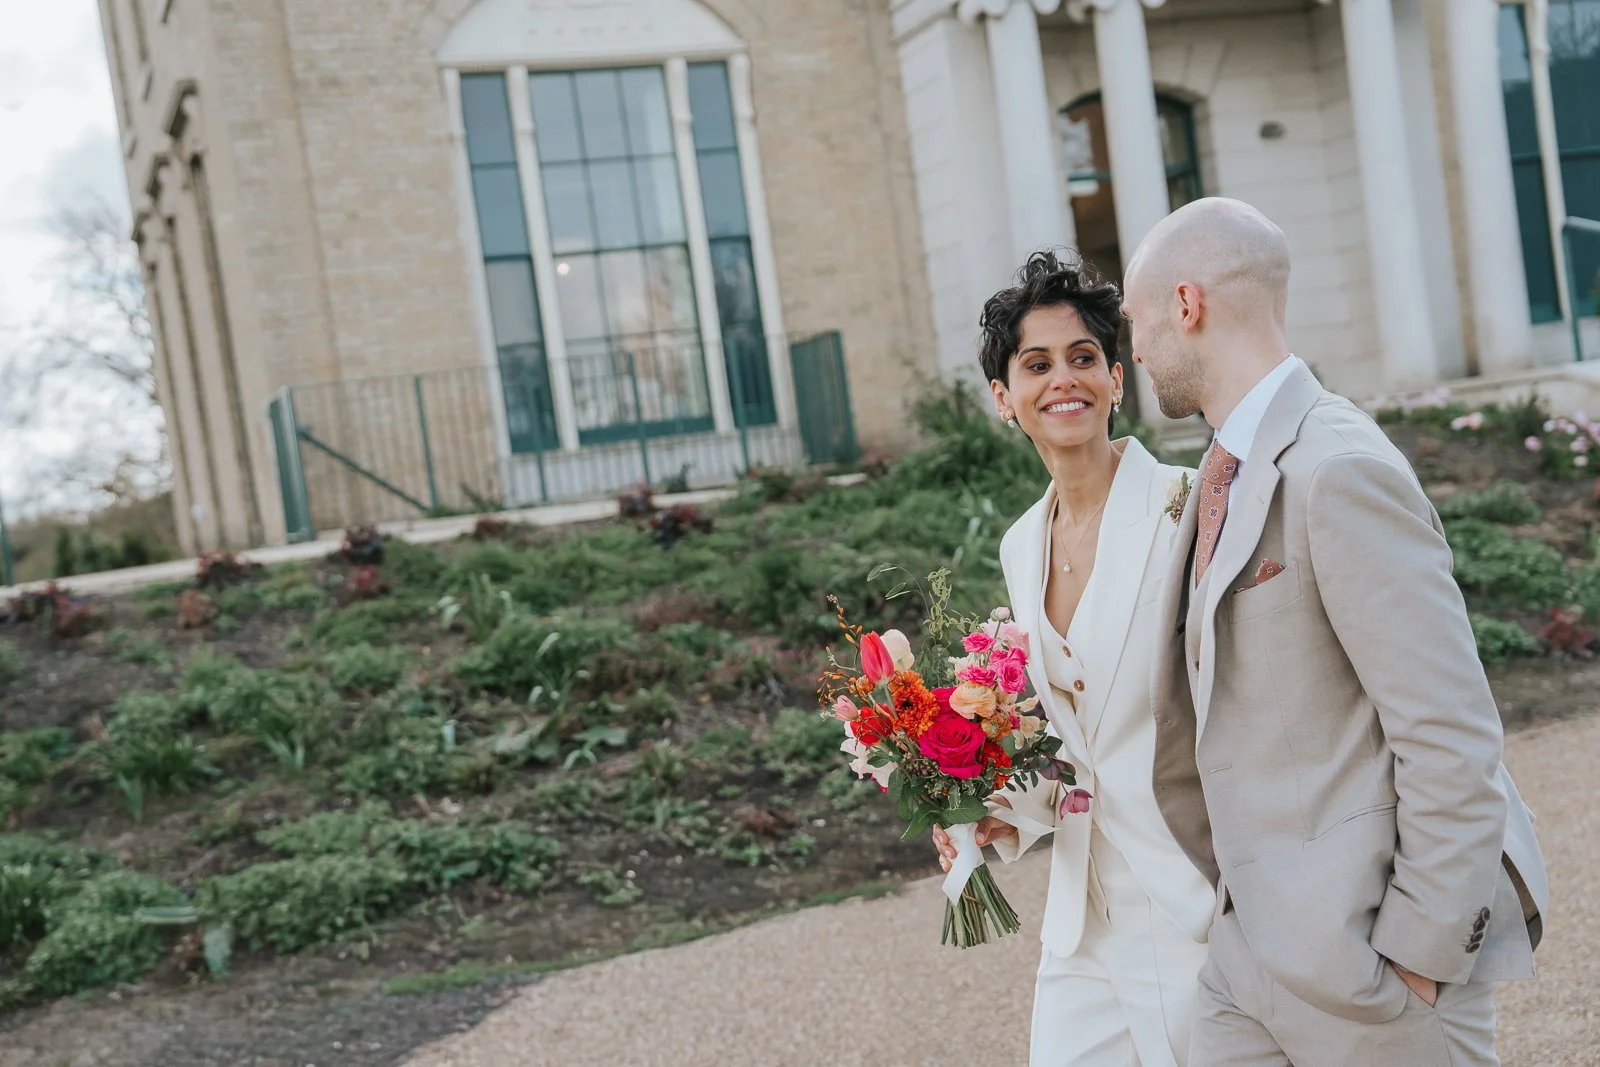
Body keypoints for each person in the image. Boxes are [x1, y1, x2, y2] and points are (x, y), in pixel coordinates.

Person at [1122, 196, 1548, 1066]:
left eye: (1136, 321)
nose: (1135, 349)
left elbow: (1450, 728)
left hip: (1373, 975)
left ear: (1187, 305)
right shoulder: (1218, 470)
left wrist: (1420, 955)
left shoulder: (1339, 467)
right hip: (1246, 963)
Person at [932, 250, 1216, 1067]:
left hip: (1189, 898)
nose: (1066, 379)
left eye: (1085, 357)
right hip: (1081, 914)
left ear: (1117, 379)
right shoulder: (1021, 543)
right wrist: (1002, 814)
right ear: (1004, 399)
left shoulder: (1189, 506)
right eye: (1038, 364)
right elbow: (1073, 744)